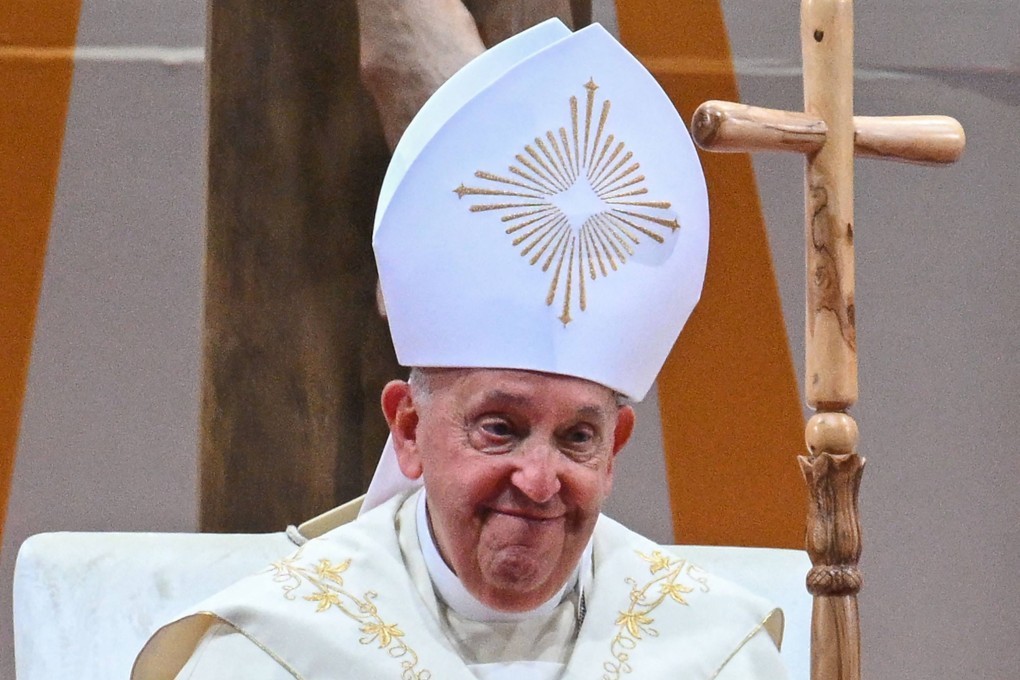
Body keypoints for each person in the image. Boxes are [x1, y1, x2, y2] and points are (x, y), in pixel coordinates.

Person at [132, 19, 790, 680]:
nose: (538, 482)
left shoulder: (714, 652)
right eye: (500, 429)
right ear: (410, 430)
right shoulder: (272, 650)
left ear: (615, 446)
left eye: (577, 437)